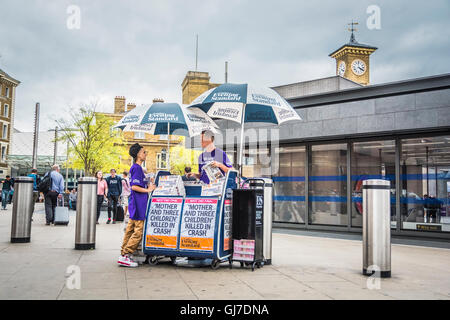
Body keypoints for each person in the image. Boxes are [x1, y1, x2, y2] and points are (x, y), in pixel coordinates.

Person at [118, 143, 155, 267]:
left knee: (130, 230)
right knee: (138, 231)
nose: (146, 154)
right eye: (144, 152)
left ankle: (123, 254)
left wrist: (149, 182)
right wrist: (149, 190)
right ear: (138, 154)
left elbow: (138, 184)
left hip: (135, 203)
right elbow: (134, 187)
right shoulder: (136, 168)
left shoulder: (137, 168)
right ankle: (126, 255)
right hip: (139, 204)